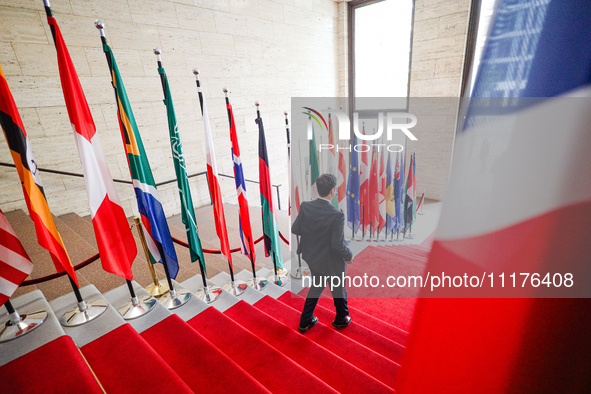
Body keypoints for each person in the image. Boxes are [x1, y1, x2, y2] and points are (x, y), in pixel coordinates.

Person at [292, 173, 354, 333]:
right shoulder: (337, 215)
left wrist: (313, 235)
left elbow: (295, 229)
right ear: (333, 191)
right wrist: (349, 255)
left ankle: (305, 321)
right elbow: (337, 245)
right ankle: (341, 319)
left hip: (313, 258)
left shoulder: (306, 206)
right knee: (338, 290)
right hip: (331, 261)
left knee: (316, 287)